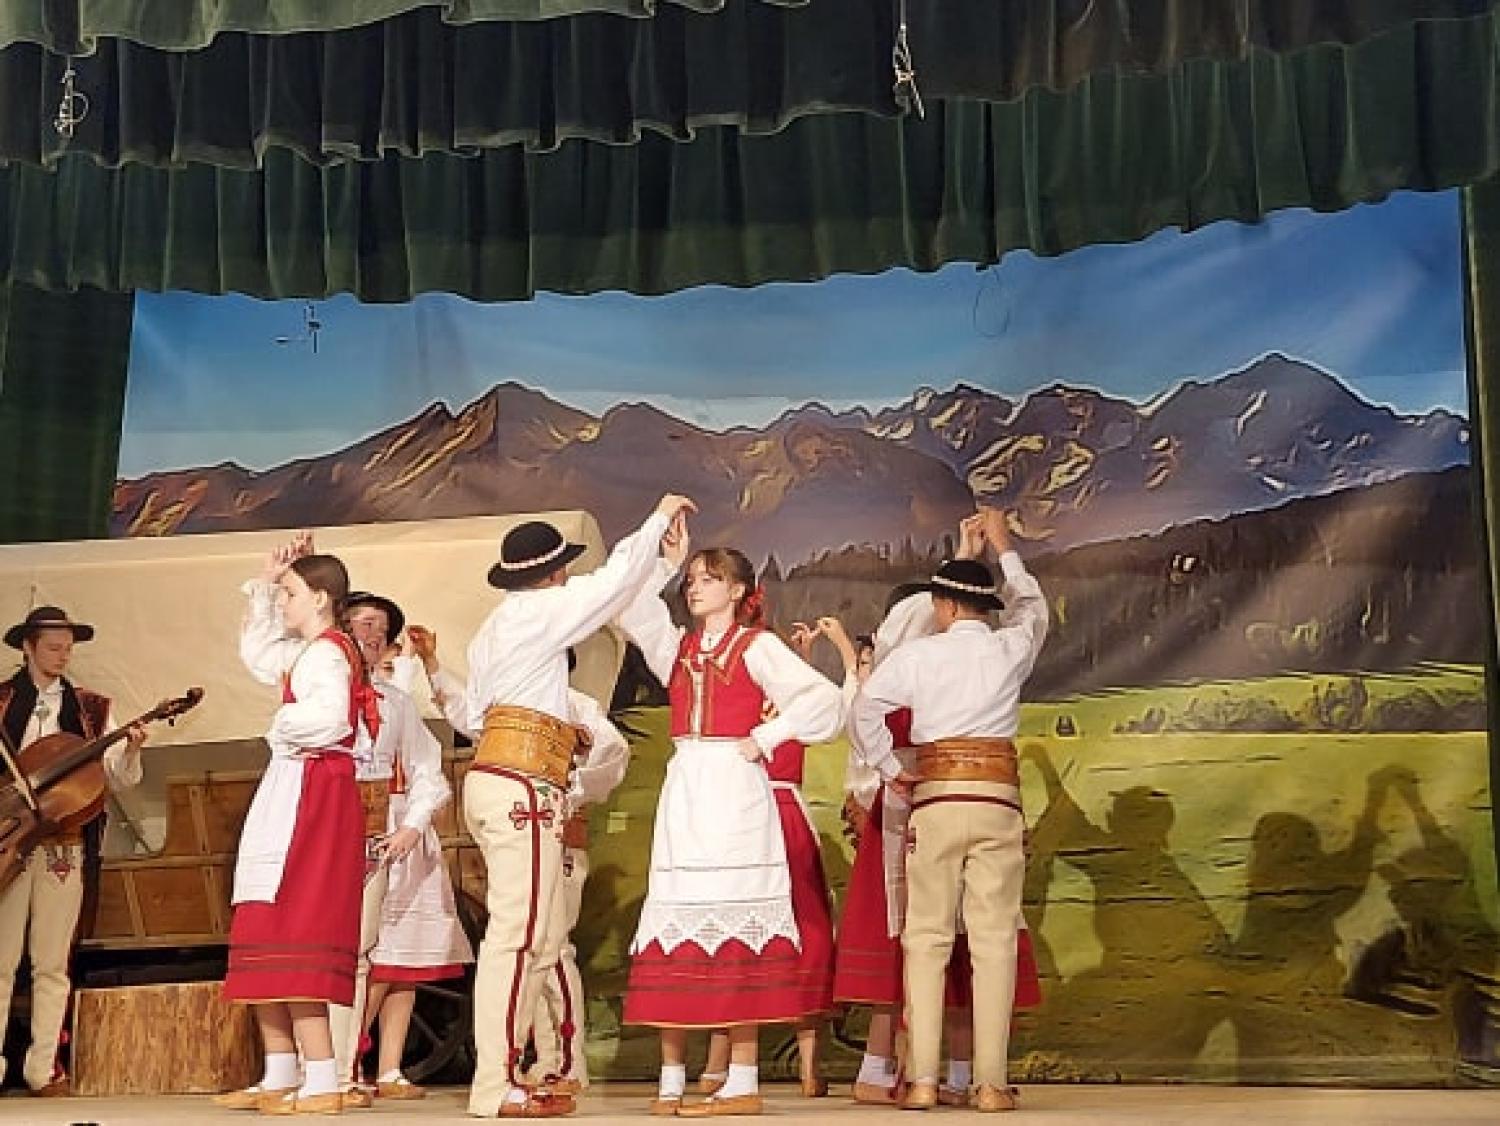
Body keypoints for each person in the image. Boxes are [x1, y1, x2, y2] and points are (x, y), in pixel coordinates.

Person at [458, 496, 693, 1119]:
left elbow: (471, 715)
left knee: (535, 938)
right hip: (520, 783)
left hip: (504, 778)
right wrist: (656, 519)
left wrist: (661, 568)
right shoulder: (538, 612)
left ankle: (513, 1073)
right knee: (520, 938)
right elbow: (611, 585)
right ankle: (494, 1085)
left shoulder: (496, 629)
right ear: (555, 572)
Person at [617, 519, 843, 1118]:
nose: (695, 587)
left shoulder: (756, 646)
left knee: (740, 920)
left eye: (708, 578)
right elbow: (631, 605)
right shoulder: (678, 649)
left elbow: (823, 701)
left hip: (736, 789)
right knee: (681, 914)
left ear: (739, 590)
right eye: (692, 579)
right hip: (688, 791)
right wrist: (666, 563)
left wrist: (765, 738)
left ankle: (742, 1078)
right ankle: (676, 1078)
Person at [851, 508, 1048, 1113]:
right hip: (995, 802)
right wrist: (1005, 549)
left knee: (926, 939)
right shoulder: (1010, 646)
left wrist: (890, 768)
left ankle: (922, 1080)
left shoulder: (920, 657)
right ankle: (989, 1083)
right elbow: (1033, 608)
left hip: (935, 799)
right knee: (993, 941)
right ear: (985, 607)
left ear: (941, 606)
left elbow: (864, 710)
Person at [408, 630, 631, 1100]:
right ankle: (543, 1059)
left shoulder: (575, 707)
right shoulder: (509, 707)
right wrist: (432, 664)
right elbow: (468, 715)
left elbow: (612, 757)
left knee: (553, 944)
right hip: (523, 820)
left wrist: (568, 789)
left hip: (556, 831)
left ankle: (566, 1061)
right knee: (532, 941)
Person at [218, 533, 380, 1116]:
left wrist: (281, 726)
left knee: (295, 925)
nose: (284, 602)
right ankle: (281, 1068)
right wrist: (266, 586)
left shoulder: (330, 654)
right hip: (294, 784)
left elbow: (331, 719)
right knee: (263, 922)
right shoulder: (309, 650)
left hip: (313, 790)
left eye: (290, 593)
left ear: (320, 598)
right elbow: (262, 654)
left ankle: (322, 1077)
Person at [330, 593, 472, 1106]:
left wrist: (413, 824)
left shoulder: (396, 703)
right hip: (349, 829)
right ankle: (341, 1062)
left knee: (404, 959)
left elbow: (428, 771)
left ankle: (388, 1067)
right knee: (365, 956)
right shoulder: (326, 695)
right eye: (361, 623)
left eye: (380, 627)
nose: (372, 634)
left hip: (399, 829)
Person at [0, 606, 146, 1097]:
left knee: (51, 962)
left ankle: (42, 1069)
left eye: (67, 648)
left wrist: (130, 749)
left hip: (62, 846)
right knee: (0, 963)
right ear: (28, 648)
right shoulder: (1, 702)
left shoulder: (91, 709)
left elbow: (116, 779)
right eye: (52, 648)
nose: (62, 656)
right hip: (7, 841)